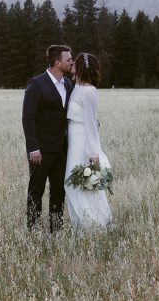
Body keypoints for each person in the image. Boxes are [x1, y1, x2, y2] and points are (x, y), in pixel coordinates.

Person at [22, 44, 74, 232]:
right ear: (57, 62)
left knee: (58, 192)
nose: (71, 62)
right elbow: (28, 117)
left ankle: (56, 231)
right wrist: (33, 148)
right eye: (68, 60)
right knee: (36, 192)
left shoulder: (68, 84)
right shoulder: (36, 84)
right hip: (41, 151)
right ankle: (33, 230)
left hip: (61, 150)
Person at [63, 52, 112, 228]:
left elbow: (92, 124)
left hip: (84, 142)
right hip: (73, 140)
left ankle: (92, 226)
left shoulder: (89, 92)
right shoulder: (75, 87)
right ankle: (82, 225)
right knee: (71, 185)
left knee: (82, 185)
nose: (71, 64)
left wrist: (93, 153)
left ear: (82, 66)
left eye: (74, 62)